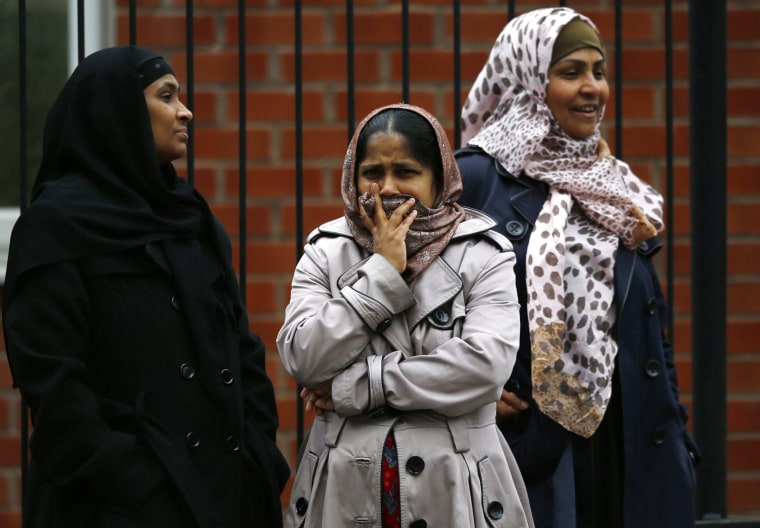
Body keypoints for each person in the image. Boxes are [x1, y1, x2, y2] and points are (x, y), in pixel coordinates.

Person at [2, 45, 289, 528]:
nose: (186, 111)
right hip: (119, 508)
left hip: (226, 495)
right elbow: (55, 389)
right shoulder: (54, 228)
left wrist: (259, 455)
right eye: (166, 95)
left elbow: (241, 348)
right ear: (118, 111)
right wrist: (135, 485)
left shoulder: (190, 218)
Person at [455, 7, 699, 528]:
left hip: (629, 447)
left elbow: (645, 321)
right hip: (532, 448)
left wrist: (676, 431)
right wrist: (465, 388)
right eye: (571, 72)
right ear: (527, 80)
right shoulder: (474, 178)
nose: (593, 87)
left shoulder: (613, 187)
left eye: (599, 70)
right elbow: (417, 300)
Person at [276, 103, 534, 527]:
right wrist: (380, 273)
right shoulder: (325, 252)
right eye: (373, 172)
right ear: (353, 178)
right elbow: (303, 356)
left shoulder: (484, 255)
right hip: (344, 488)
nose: (388, 187)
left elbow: (485, 367)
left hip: (459, 492)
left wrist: (357, 388)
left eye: (407, 172)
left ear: (439, 180)